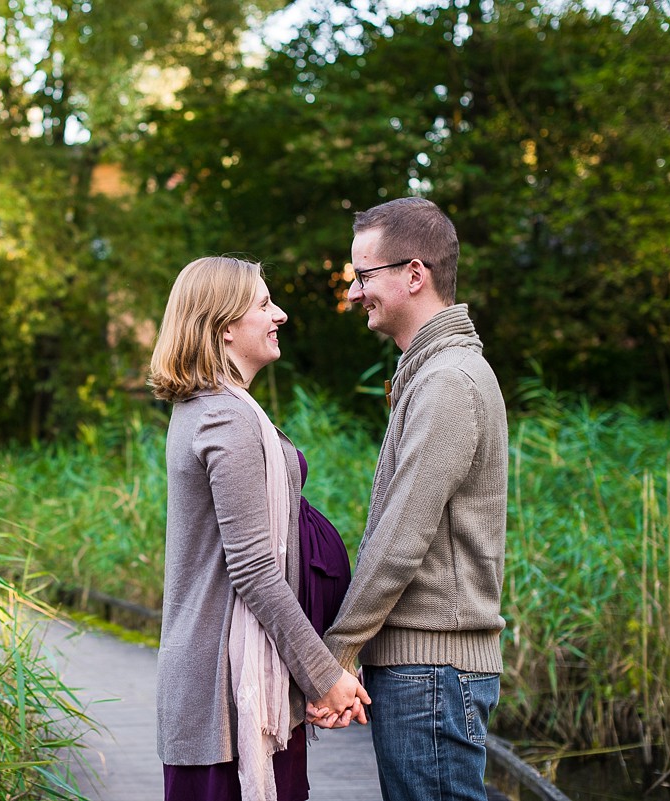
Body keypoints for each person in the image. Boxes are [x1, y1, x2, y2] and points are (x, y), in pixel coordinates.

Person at [149, 255, 369, 801]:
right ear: (225, 327)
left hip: (218, 685)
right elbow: (253, 571)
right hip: (224, 699)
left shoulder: (208, 409)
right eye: (265, 304)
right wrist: (326, 675)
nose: (282, 314)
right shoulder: (226, 417)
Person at [317, 197, 509, 801]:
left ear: (414, 274)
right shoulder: (431, 374)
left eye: (364, 275)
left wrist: (337, 650)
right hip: (426, 670)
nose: (353, 293)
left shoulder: (448, 381)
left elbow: (401, 538)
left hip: (432, 672)